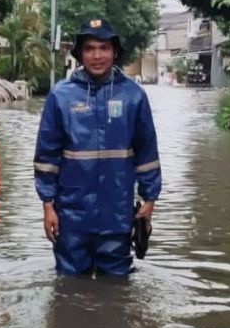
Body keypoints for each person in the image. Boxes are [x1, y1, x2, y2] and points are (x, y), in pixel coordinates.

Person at [33, 19, 162, 277]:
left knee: (117, 287)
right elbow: (46, 157)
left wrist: (150, 199)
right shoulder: (61, 96)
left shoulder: (133, 95)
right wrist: (48, 206)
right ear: (80, 54)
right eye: (90, 48)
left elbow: (147, 152)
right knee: (69, 286)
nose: (97, 55)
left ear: (115, 52)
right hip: (71, 214)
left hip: (117, 211)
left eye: (104, 48)